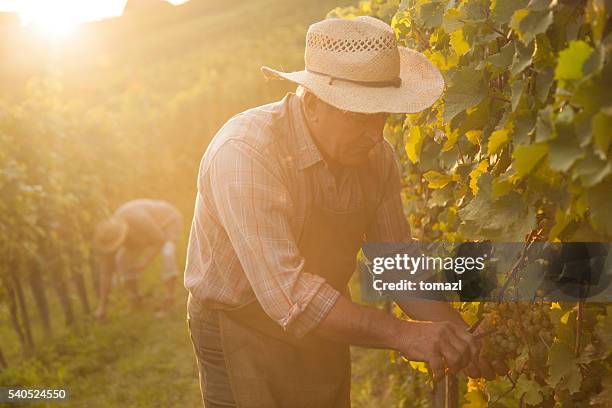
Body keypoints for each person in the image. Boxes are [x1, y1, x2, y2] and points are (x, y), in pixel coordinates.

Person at [184, 16, 504, 408]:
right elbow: (291, 297)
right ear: (313, 103)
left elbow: (396, 264)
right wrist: (403, 334)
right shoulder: (246, 153)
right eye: (358, 116)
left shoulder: (376, 157)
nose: (375, 135)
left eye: (382, 116)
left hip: (325, 318)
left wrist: (457, 335)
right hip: (240, 324)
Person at [93, 198, 183, 320]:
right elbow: (105, 273)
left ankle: (169, 299)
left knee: (168, 253)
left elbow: (159, 239)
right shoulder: (110, 233)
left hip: (168, 221)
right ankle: (135, 299)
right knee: (121, 259)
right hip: (141, 234)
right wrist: (102, 307)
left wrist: (144, 262)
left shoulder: (136, 219)